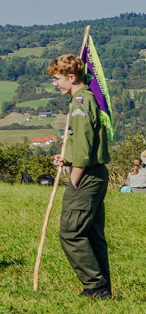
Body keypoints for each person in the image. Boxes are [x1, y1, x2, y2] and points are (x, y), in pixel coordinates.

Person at [48, 54, 112, 299]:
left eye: (57, 79)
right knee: (92, 233)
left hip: (86, 176)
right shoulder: (86, 99)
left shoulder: (79, 104)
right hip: (95, 172)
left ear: (71, 77)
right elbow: (83, 143)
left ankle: (95, 285)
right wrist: (66, 158)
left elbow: (84, 150)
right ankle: (103, 288)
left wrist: (73, 179)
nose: (55, 84)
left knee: (71, 233)